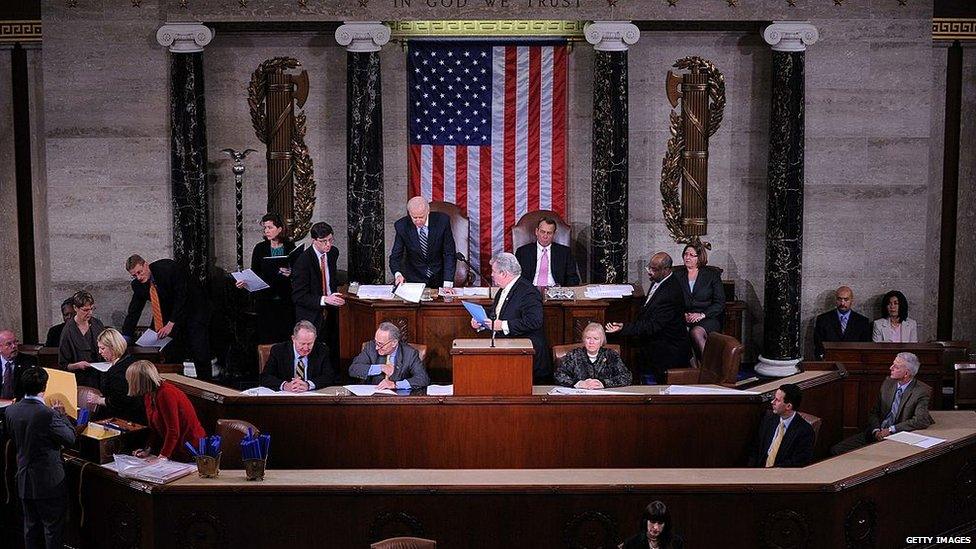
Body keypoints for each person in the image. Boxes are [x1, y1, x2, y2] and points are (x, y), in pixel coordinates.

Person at [5, 367, 77, 549]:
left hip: (23, 478)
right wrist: (62, 415)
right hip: (49, 481)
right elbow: (70, 438)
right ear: (45, 386)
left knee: (30, 527)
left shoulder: (11, 410)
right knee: (52, 529)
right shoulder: (48, 414)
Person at [122, 254, 213, 381]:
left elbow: (181, 295)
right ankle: (177, 384)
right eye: (134, 275)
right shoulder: (138, 285)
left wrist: (171, 323)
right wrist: (125, 338)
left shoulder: (167, 268)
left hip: (193, 310)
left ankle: (207, 385)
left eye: (140, 272)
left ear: (146, 265)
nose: (139, 277)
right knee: (172, 353)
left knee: (199, 351)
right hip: (170, 314)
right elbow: (134, 311)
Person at [606, 252, 690, 383]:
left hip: (667, 350)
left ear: (666, 270)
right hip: (656, 340)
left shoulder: (670, 293)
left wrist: (624, 328)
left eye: (653, 269)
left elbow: (652, 325)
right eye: (649, 268)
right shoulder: (659, 280)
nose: (649, 272)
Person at [831, 352, 934, 455]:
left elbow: (921, 420)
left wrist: (891, 430)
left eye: (896, 367)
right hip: (876, 432)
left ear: (906, 373)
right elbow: (874, 412)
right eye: (893, 364)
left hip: (898, 438)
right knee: (837, 450)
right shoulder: (888, 383)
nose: (890, 368)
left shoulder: (921, 391)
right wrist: (876, 430)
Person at [469, 253, 551, 381]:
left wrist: (502, 325)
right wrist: (481, 322)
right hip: (509, 356)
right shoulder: (504, 289)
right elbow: (498, 312)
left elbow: (534, 321)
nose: (491, 274)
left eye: (494, 271)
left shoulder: (528, 292)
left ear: (504, 273)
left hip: (526, 359)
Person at [126, 360, 206, 462]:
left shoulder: (166, 394)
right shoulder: (148, 395)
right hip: (174, 447)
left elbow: (173, 431)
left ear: (140, 381)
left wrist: (163, 456)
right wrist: (148, 449)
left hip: (189, 448)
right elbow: (154, 428)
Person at [237, 213, 297, 343]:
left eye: (270, 227)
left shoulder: (290, 247)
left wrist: (290, 273)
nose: (266, 231)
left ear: (280, 229)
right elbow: (254, 273)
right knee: (266, 337)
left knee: (285, 337)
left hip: (285, 300)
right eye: (265, 228)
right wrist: (244, 282)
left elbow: (297, 272)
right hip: (265, 299)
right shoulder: (260, 248)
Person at [292, 222, 345, 362]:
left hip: (331, 311)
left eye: (330, 240)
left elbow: (330, 279)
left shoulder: (333, 253)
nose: (328, 244)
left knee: (332, 350)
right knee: (312, 354)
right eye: (323, 241)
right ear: (314, 240)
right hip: (310, 314)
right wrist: (324, 299)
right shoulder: (303, 261)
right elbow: (298, 296)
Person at [671, 242, 725, 359]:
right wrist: (682, 315)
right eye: (685, 254)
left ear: (699, 257)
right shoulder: (676, 275)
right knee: (676, 332)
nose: (687, 257)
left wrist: (702, 315)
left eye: (691, 255)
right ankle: (691, 370)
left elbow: (719, 303)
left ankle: (709, 368)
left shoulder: (712, 275)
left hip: (707, 317)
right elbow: (671, 301)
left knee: (696, 332)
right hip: (684, 318)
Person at [389, 196, 457, 288]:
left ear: (427, 212)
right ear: (409, 214)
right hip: (414, 279)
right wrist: (398, 274)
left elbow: (449, 253)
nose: (418, 221)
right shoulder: (402, 226)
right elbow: (395, 256)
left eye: (421, 217)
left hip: (439, 278)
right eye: (414, 217)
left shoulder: (442, 221)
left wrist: (448, 283)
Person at [86, 328, 146, 424]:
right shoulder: (131, 359)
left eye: (102, 348)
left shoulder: (118, 371)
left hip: (126, 418)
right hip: (138, 414)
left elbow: (120, 401)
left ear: (113, 347)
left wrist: (99, 400)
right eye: (99, 348)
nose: (99, 352)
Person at [748, 383, 815, 468]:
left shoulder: (805, 431)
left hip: (781, 477)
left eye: (777, 400)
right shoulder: (768, 419)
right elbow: (755, 449)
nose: (772, 402)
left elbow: (797, 463)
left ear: (788, 406)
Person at [260, 320, 338, 393]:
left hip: (312, 399)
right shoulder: (278, 350)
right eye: (302, 344)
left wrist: (308, 385)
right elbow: (265, 377)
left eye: (310, 343)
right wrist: (285, 385)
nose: (306, 348)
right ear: (293, 339)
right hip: (285, 399)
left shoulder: (322, 350)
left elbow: (329, 377)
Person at [349, 322, 430, 391]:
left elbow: (423, 378)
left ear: (394, 343)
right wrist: (381, 368)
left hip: (399, 399)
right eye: (376, 342)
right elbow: (353, 369)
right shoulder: (370, 347)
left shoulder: (409, 353)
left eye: (380, 344)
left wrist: (395, 385)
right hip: (372, 396)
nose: (376, 347)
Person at [553, 322, 631, 389]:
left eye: (596, 338)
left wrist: (604, 383)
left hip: (605, 398)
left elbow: (626, 377)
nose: (591, 342)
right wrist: (579, 383)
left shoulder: (611, 355)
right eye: (588, 338)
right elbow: (559, 375)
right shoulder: (574, 355)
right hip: (579, 398)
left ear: (602, 341)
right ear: (584, 340)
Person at [514, 216, 580, 288]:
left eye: (549, 233)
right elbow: (515, 277)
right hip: (530, 292)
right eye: (542, 232)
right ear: (536, 231)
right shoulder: (522, 252)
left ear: (554, 234)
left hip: (555, 292)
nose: (545, 236)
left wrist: (564, 291)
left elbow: (573, 278)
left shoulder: (565, 252)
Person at [57, 290, 105, 389]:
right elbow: (63, 365)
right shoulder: (68, 331)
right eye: (85, 310)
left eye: (92, 309)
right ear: (75, 308)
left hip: (100, 377)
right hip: (80, 380)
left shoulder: (97, 324)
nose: (90, 313)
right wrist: (77, 365)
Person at [812, 285, 872, 359]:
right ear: (835, 300)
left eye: (846, 299)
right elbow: (818, 345)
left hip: (854, 363)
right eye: (839, 299)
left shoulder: (862, 322)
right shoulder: (823, 319)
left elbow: (865, 347)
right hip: (830, 362)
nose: (842, 303)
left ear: (852, 300)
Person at [1, 329, 35, 400]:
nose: (14, 346)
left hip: (20, 405)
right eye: (9, 344)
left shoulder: (29, 361)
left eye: (15, 342)